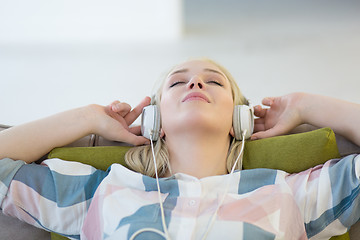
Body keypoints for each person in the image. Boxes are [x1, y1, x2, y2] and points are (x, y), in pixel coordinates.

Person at [0, 58, 359, 239]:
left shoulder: (287, 193)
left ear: (240, 120)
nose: (196, 81)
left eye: (214, 81)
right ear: (155, 120)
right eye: (178, 82)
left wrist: (307, 105)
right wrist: (85, 118)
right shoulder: (104, 192)